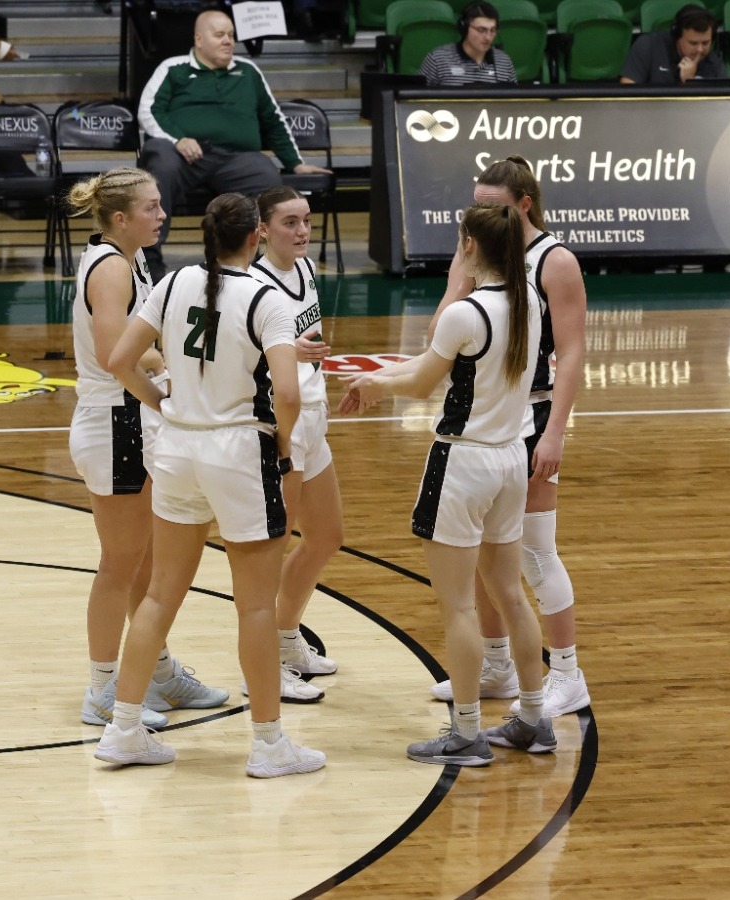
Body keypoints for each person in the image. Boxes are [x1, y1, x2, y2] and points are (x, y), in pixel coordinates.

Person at [94, 192, 326, 779]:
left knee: (159, 594)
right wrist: (280, 440)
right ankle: (270, 744)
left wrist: (161, 400)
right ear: (254, 238)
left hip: (177, 449)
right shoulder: (267, 299)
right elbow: (290, 393)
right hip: (237, 450)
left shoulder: (170, 284)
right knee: (253, 605)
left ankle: (124, 730)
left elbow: (120, 359)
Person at [341, 203, 554, 766]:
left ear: (468, 246)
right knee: (510, 594)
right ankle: (534, 717)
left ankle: (465, 732)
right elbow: (434, 365)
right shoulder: (531, 299)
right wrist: (380, 376)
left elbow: (421, 384)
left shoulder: (465, 312)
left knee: (459, 605)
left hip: (463, 463)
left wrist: (375, 386)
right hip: (511, 457)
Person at [427, 157, 591, 718]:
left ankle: (568, 672)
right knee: (483, 558)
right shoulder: (485, 259)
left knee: (535, 552)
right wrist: (458, 275)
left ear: (524, 205)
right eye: (475, 204)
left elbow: (571, 353)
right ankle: (496, 665)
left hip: (535, 415)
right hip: (495, 422)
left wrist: (556, 433)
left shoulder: (555, 260)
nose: (481, 214)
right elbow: (438, 341)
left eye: (493, 205)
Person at [67, 166, 229, 731]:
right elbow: (118, 355)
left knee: (147, 561)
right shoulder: (111, 268)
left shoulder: (125, 257)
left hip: (126, 417)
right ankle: (102, 688)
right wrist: (165, 397)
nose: (161, 215)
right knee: (120, 563)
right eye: (151, 207)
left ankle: (155, 671)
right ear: (120, 217)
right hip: (115, 421)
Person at [136, 9, 331, 281]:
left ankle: (261, 266)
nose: (228, 40)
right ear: (199, 39)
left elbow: (272, 119)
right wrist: (177, 139)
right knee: (159, 160)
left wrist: (295, 163)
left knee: (266, 176)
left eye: (231, 35)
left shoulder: (248, 71)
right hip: (185, 155)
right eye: (219, 35)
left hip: (236, 158)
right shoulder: (173, 68)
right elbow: (149, 111)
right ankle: (150, 260)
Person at [247, 185, 343, 704]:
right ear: (262, 229)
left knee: (327, 534)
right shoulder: (254, 283)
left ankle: (287, 637)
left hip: (314, 414)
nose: (302, 230)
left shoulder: (305, 271)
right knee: (272, 546)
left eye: (305, 220)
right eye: (289, 222)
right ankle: (263, 661)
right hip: (279, 419)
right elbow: (243, 356)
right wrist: (284, 355)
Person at [619, 4, 727, 85]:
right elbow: (627, 94)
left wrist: (689, 81)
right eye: (693, 43)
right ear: (677, 37)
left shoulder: (714, 61)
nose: (700, 49)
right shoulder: (648, 46)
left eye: (705, 43)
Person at [418, 1, 517, 88]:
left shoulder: (504, 62)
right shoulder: (438, 59)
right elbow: (416, 100)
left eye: (492, 30)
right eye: (481, 30)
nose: (488, 37)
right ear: (464, 28)